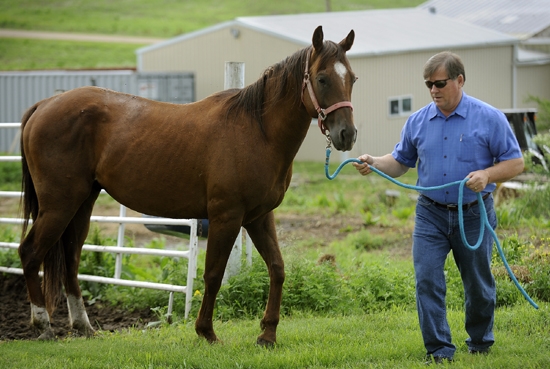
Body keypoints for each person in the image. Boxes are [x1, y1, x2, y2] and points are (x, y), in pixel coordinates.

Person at [353, 51, 524, 364]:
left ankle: (480, 343)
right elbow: (400, 162)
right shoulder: (418, 120)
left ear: (459, 80)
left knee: (478, 285)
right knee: (427, 280)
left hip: (474, 212)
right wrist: (374, 162)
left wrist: (487, 174)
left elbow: (515, 162)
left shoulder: (489, 118)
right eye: (429, 84)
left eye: (440, 83)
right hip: (429, 214)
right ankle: (439, 350)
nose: (433, 90)